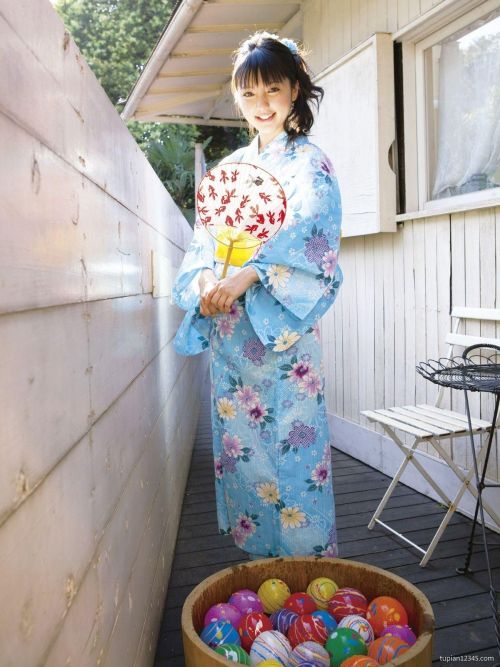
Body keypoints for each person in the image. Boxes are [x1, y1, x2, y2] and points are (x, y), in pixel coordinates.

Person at [172, 31, 343, 559]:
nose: (261, 104)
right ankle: (257, 575)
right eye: (249, 94)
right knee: (244, 454)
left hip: (280, 339)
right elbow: (203, 245)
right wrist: (205, 282)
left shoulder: (310, 165)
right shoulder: (230, 171)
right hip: (232, 335)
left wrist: (247, 276)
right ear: (237, 98)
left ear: (294, 90)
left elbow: (313, 237)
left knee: (293, 455)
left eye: (272, 89)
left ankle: (307, 574)